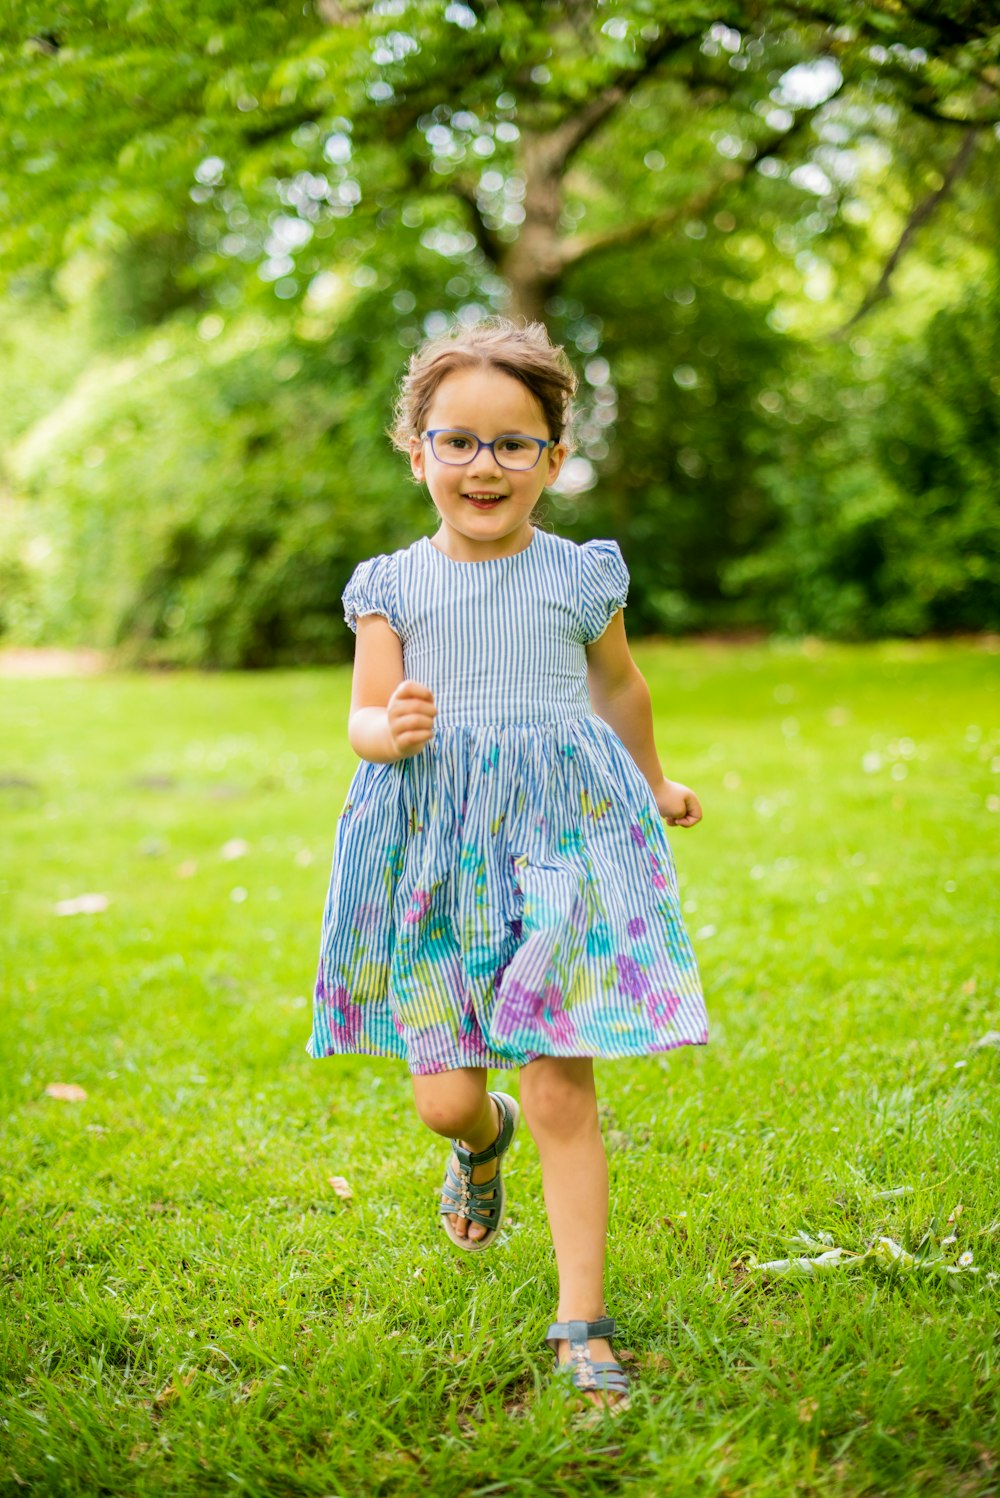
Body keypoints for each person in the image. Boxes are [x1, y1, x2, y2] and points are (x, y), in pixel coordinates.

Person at [308, 316, 708, 1416]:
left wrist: (654, 783)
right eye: (458, 441)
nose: (483, 465)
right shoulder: (390, 584)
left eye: (511, 444)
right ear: (417, 451)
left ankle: (582, 1319)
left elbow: (620, 688)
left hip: (562, 839)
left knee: (561, 1081)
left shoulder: (577, 578)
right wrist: (385, 731)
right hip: (436, 844)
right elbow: (361, 711)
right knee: (445, 1097)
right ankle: (481, 1146)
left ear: (552, 460)